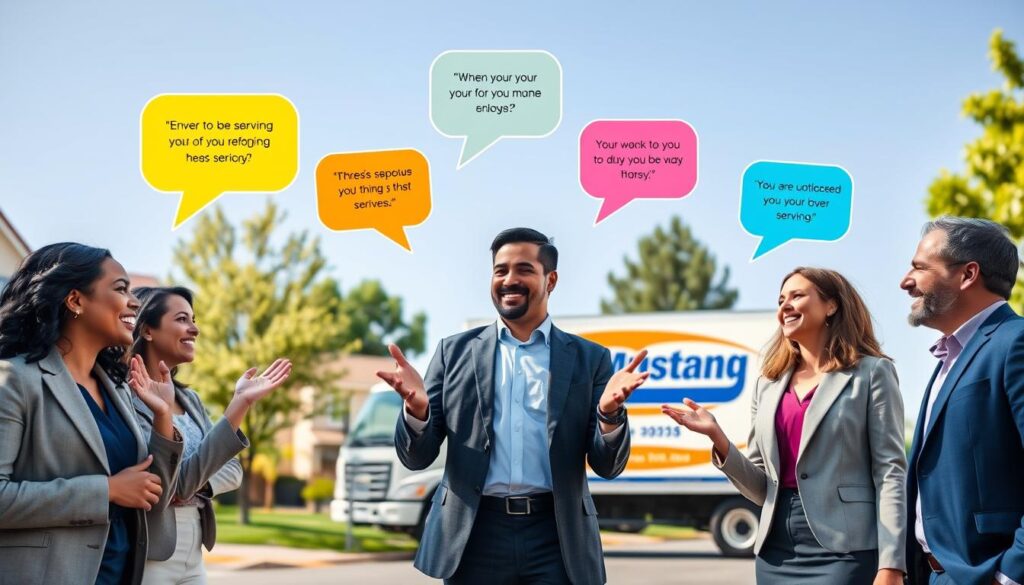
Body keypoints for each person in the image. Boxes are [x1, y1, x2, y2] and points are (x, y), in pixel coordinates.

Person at [375, 228, 648, 585]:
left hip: (557, 537)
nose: (509, 280)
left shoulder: (590, 359)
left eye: (524, 269)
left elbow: (608, 465)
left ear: (551, 280)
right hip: (473, 535)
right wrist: (417, 412)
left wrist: (608, 415)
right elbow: (416, 457)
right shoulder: (452, 354)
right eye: (500, 270)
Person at [663, 267, 907, 585]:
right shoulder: (767, 384)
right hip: (776, 551)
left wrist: (891, 565)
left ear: (831, 305)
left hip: (845, 550)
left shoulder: (872, 373)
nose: (785, 306)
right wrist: (717, 437)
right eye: (781, 300)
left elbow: (890, 472)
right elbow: (759, 488)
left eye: (797, 295)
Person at [0, 243, 183, 585]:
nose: (135, 302)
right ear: (75, 301)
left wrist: (162, 417)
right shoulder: (15, 379)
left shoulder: (118, 389)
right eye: (121, 289)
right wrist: (106, 491)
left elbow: (149, 492)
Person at [128, 286, 292, 585]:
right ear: (148, 330)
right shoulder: (125, 398)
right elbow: (170, 483)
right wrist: (239, 404)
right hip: (151, 552)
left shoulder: (191, 400)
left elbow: (232, 470)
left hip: (195, 551)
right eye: (182, 319)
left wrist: (193, 486)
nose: (195, 329)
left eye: (194, 319)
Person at [901, 216, 1024, 585]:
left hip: (987, 574)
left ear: (968, 274)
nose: (905, 281)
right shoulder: (948, 357)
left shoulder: (1014, 342)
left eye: (920, 267)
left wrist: (1010, 573)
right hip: (933, 574)